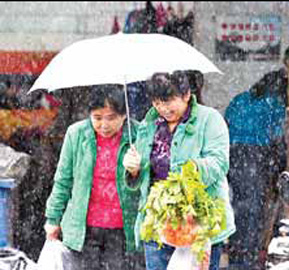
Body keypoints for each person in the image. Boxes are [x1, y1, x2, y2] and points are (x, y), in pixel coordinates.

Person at [122, 71, 236, 270]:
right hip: (159, 223)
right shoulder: (149, 124)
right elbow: (143, 177)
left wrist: (186, 176)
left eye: (168, 101)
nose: (162, 108)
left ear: (186, 95)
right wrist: (133, 170)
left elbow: (218, 163)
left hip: (198, 224)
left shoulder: (209, 120)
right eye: (157, 103)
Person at [44, 85, 140, 270]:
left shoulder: (137, 134)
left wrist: (136, 172)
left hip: (121, 228)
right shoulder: (76, 134)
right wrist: (53, 219)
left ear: (124, 115)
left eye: (111, 118)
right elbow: (63, 180)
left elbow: (146, 183)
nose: (104, 125)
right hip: (84, 227)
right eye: (97, 118)